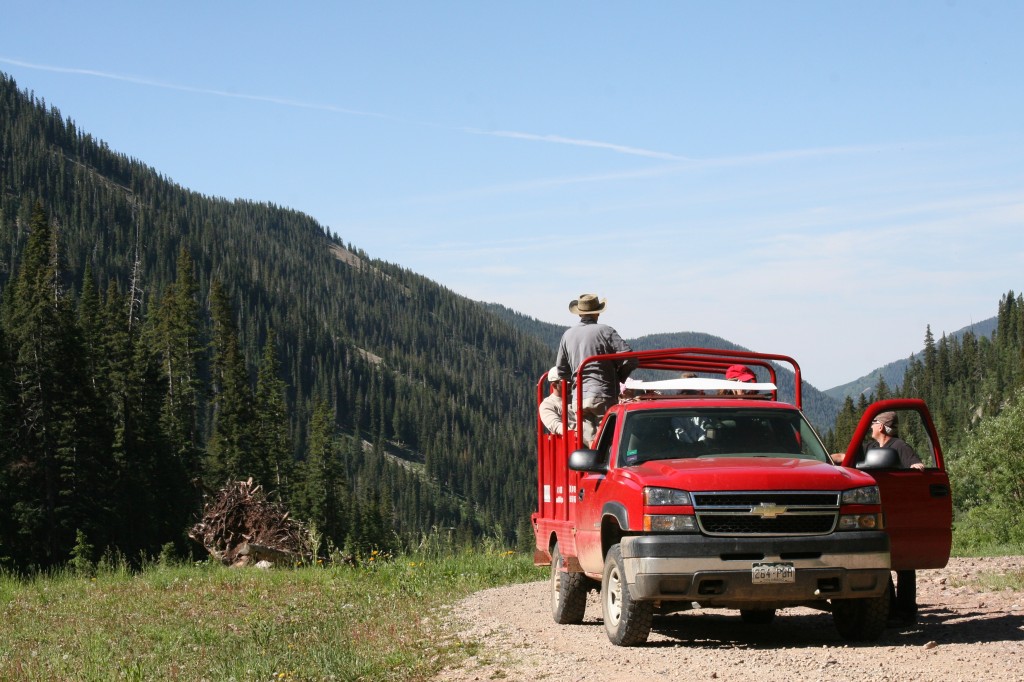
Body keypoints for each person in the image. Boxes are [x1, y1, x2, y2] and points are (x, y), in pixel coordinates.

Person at [555, 294, 636, 447]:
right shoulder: (606, 331)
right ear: (597, 313)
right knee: (610, 440)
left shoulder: (567, 335)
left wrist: (577, 383)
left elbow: (562, 371)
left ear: (579, 313)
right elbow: (631, 358)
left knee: (592, 442)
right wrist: (619, 377)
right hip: (603, 394)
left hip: (579, 397)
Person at [539, 367, 575, 435]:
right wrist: (574, 434)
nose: (570, 384)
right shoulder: (548, 405)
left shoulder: (576, 396)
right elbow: (555, 425)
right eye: (565, 382)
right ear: (554, 385)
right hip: (573, 440)